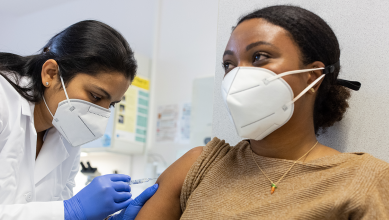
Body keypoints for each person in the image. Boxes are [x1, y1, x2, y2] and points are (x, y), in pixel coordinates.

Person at [134, 5, 389, 220]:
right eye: (228, 64)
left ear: (312, 75)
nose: (236, 75)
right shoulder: (199, 165)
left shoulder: (363, 179)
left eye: (259, 57)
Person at [0, 20, 157, 220]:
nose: (101, 113)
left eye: (110, 104)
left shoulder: (68, 132)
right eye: (95, 96)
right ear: (50, 73)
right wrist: (72, 210)